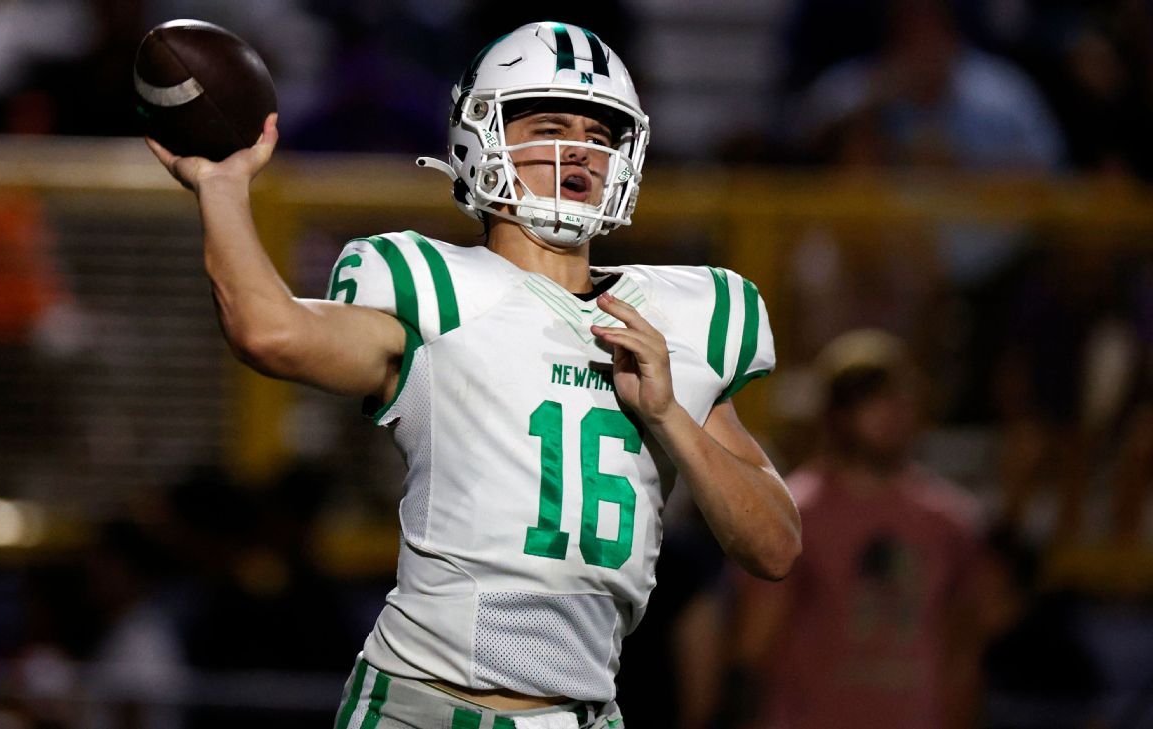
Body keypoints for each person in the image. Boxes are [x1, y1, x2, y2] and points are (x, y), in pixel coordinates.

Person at [147, 21, 801, 728]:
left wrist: (672, 414)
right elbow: (268, 332)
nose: (580, 149)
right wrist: (221, 188)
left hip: (580, 714)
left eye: (600, 133)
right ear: (481, 137)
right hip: (425, 706)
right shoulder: (438, 289)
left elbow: (775, 546)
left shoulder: (681, 317)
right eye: (550, 124)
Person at [724, 330, 996, 729]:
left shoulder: (949, 522)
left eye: (897, 396)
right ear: (834, 411)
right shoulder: (792, 516)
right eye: (866, 397)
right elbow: (753, 648)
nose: (887, 412)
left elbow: (963, 648)